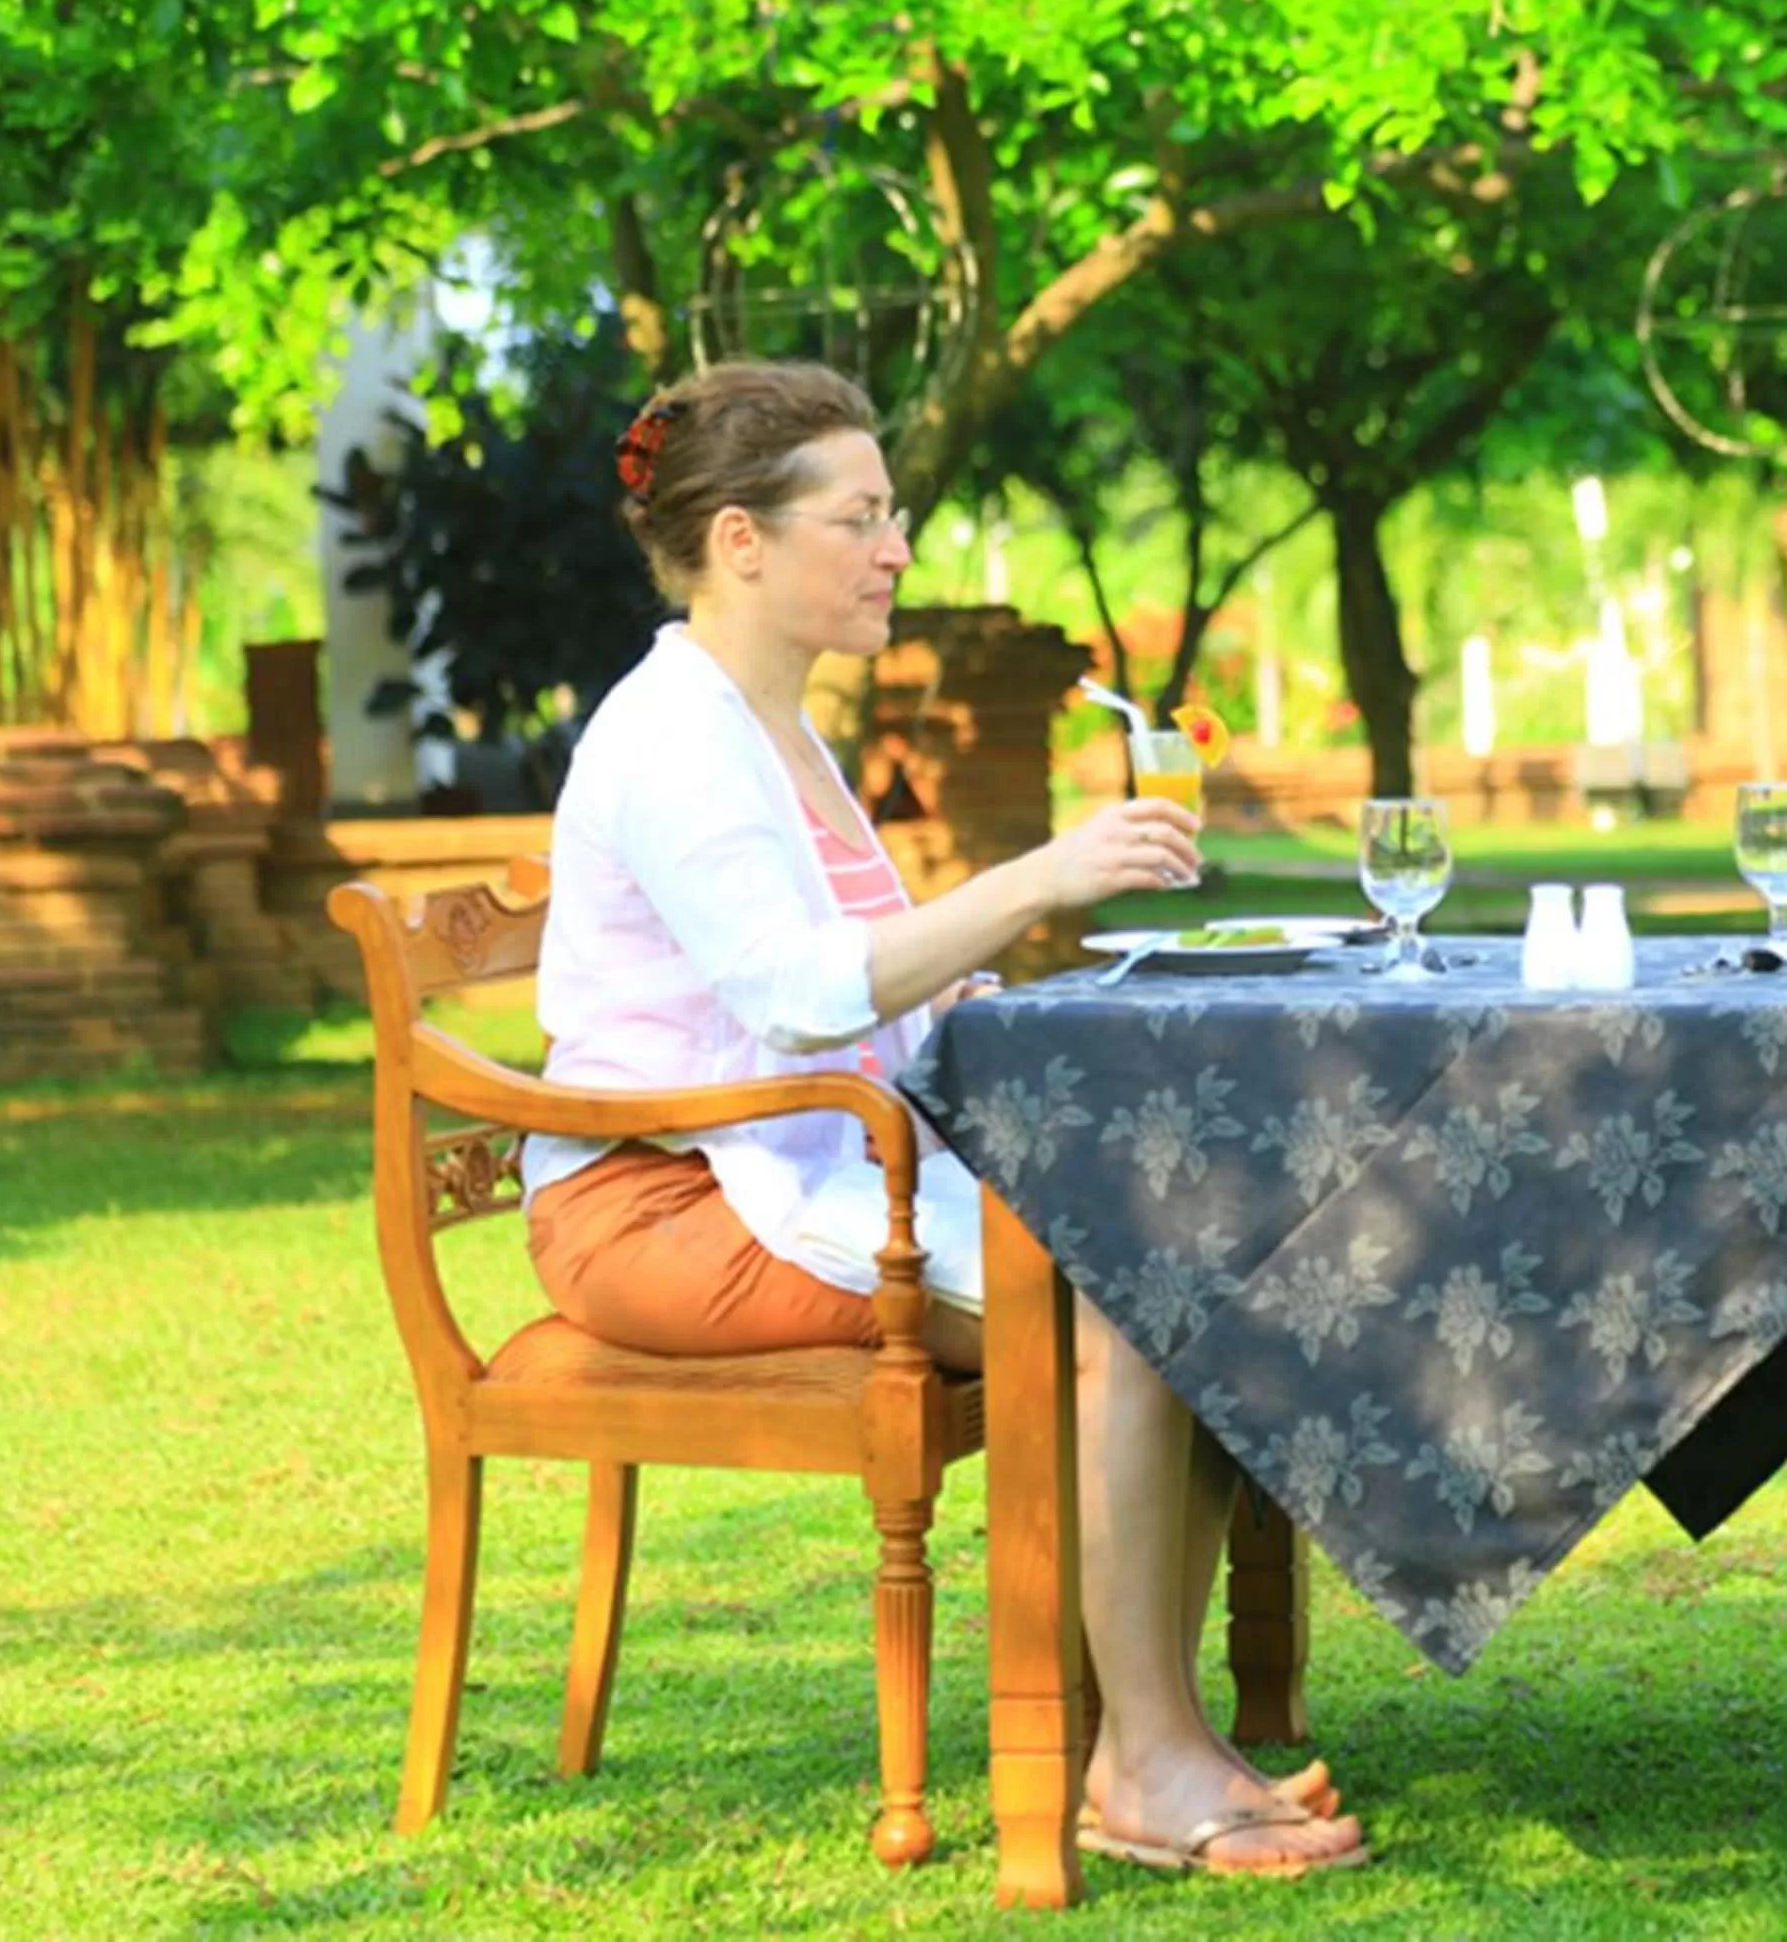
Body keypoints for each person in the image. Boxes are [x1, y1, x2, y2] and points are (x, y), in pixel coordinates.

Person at [522, 360, 1365, 1877]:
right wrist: (1040, 877)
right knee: (1129, 1297)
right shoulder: (673, 739)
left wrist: (979, 1012)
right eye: (862, 518)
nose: (897, 547)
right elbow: (789, 995)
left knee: (1197, 1255)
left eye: (892, 513)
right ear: (742, 544)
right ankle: (1142, 1764)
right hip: (667, 1206)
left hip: (799, 1166)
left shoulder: (774, 730)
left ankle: (1148, 1736)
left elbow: (858, 998)